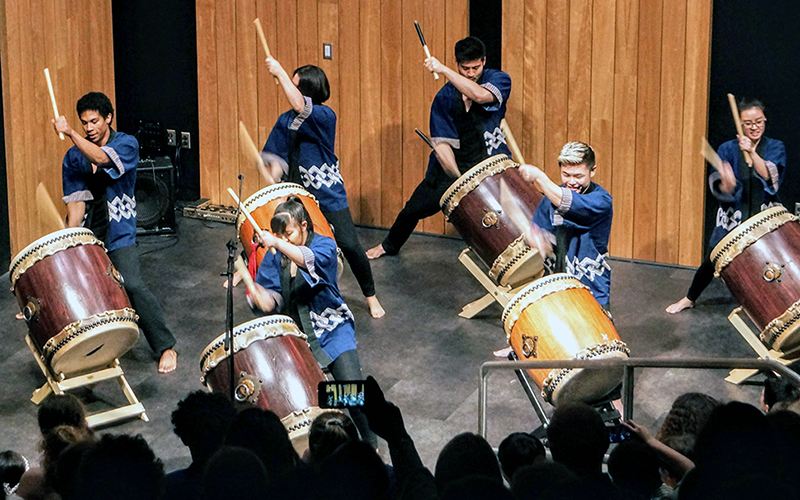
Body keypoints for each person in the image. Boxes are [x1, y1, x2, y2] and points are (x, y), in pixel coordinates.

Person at [54, 92, 178, 373]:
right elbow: (75, 206)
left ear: (108, 118)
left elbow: (102, 157)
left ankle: (165, 346)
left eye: (94, 121)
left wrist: (71, 132)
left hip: (120, 231)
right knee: (69, 287)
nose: (89, 128)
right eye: (83, 123)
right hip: (89, 233)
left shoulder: (126, 144)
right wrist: (69, 240)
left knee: (131, 284)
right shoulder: (73, 157)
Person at [366, 36, 511, 259]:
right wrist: (461, 181)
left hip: (491, 160)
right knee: (413, 209)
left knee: (514, 209)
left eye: (475, 67)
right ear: (458, 65)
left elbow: (480, 95)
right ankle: (389, 245)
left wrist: (442, 69)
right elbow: (443, 147)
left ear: (484, 61)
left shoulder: (498, 79)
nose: (471, 73)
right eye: (465, 68)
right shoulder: (444, 97)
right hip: (456, 165)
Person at [261, 57, 385, 319]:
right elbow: (277, 158)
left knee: (350, 245)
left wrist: (280, 72)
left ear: (309, 92)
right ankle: (266, 286)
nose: (289, 91)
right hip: (295, 193)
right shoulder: (285, 120)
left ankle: (371, 296)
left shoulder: (325, 115)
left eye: (296, 86)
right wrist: (271, 177)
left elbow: (298, 104)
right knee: (277, 237)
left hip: (326, 191)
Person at [248, 197, 376, 448]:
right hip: (296, 335)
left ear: (304, 226)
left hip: (332, 327)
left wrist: (275, 243)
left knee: (352, 392)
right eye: (279, 235)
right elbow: (272, 295)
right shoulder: (276, 256)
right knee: (311, 399)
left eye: (289, 233)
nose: (283, 239)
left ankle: (372, 445)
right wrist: (264, 299)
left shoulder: (325, 246)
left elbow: (307, 259)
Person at [667, 99, 785, 313]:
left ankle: (773, 308)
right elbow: (721, 186)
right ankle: (689, 298)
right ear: (740, 124)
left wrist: (751, 152)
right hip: (733, 216)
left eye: (759, 121)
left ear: (765, 121)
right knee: (712, 258)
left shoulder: (775, 146)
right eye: (748, 123)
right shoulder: (727, 148)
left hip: (763, 218)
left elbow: (769, 175)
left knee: (771, 264)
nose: (754, 127)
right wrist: (726, 183)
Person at [520, 141, 613, 309]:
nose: (571, 182)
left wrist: (539, 177)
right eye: (566, 174)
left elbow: (568, 203)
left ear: (593, 171)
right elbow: (539, 233)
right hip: (555, 285)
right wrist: (537, 239)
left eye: (578, 176)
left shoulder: (601, 200)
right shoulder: (550, 198)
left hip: (590, 287)